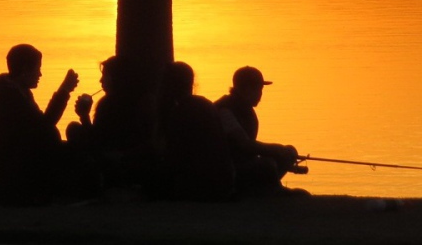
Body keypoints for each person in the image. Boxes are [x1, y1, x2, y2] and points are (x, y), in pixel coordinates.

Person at [0, 43, 79, 204]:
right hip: (8, 184)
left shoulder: (18, 92)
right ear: (26, 69)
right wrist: (64, 91)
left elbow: (41, 126)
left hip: (11, 176)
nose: (40, 74)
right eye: (37, 68)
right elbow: (44, 127)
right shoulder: (11, 98)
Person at [68, 54, 155, 189]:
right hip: (137, 162)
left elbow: (97, 142)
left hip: (115, 163)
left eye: (105, 76)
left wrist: (84, 116)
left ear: (117, 78)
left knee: (73, 129)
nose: (101, 81)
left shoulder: (108, 105)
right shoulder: (146, 101)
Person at [215, 65, 302, 194]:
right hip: (227, 167)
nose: (260, 94)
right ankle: (269, 190)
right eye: (258, 89)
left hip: (242, 161)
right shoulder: (225, 110)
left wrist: (281, 151)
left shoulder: (244, 108)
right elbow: (243, 144)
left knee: (289, 152)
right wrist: (275, 149)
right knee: (267, 164)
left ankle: (263, 187)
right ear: (246, 89)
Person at [156, 61, 236, 201]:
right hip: (222, 183)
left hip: (196, 186)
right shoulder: (205, 104)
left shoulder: (179, 111)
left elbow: (173, 153)